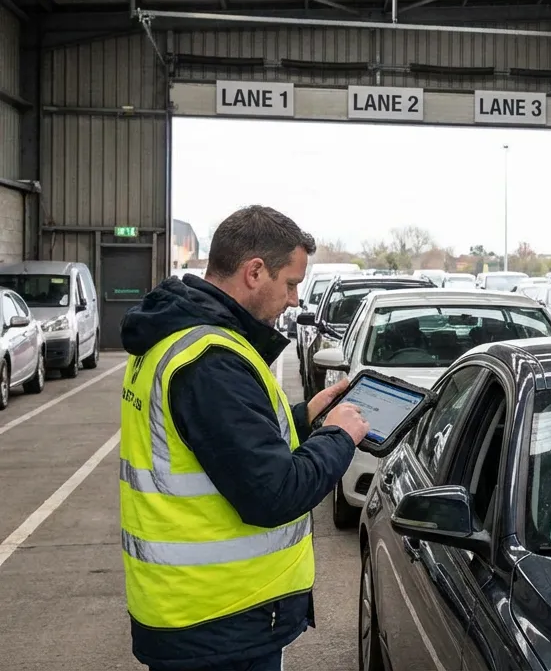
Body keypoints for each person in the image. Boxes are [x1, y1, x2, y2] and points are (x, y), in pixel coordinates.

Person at [119, 205, 370, 671]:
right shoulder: (210, 359)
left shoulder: (177, 336)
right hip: (218, 620)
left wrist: (305, 417)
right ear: (255, 272)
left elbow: (217, 445)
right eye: (291, 283)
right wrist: (339, 438)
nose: (295, 299)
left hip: (195, 614)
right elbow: (273, 494)